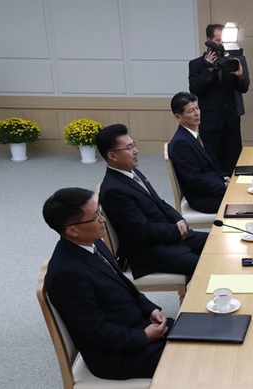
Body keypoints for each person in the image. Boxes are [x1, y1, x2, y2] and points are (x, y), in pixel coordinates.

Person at [43, 187, 173, 380]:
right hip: (118, 356)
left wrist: (150, 309)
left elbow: (124, 285)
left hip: (138, 327)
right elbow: (94, 333)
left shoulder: (94, 243)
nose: (103, 219)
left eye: (100, 213)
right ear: (72, 230)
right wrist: (143, 336)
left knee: (204, 333)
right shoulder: (66, 274)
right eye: (95, 217)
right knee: (196, 360)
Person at [96, 124, 207, 279]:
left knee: (216, 244)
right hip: (152, 252)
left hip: (168, 236)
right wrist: (176, 231)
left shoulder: (132, 171)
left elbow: (159, 201)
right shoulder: (114, 190)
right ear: (112, 156)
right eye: (129, 148)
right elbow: (142, 232)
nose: (136, 151)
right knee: (207, 266)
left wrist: (179, 219)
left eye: (134, 145)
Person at [189, 23, 250, 173]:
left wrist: (240, 76)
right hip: (210, 122)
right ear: (208, 40)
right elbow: (195, 90)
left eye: (223, 40)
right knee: (212, 164)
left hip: (231, 121)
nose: (221, 44)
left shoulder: (235, 61)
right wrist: (208, 69)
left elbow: (244, 88)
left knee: (233, 163)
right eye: (217, 40)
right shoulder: (197, 64)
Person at [168, 91, 231, 214]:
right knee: (247, 198)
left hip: (212, 189)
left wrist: (226, 178)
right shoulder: (180, 143)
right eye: (191, 111)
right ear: (178, 117)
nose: (197, 113)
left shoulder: (192, 135)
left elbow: (209, 167)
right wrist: (224, 186)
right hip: (204, 199)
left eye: (197, 108)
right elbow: (195, 179)